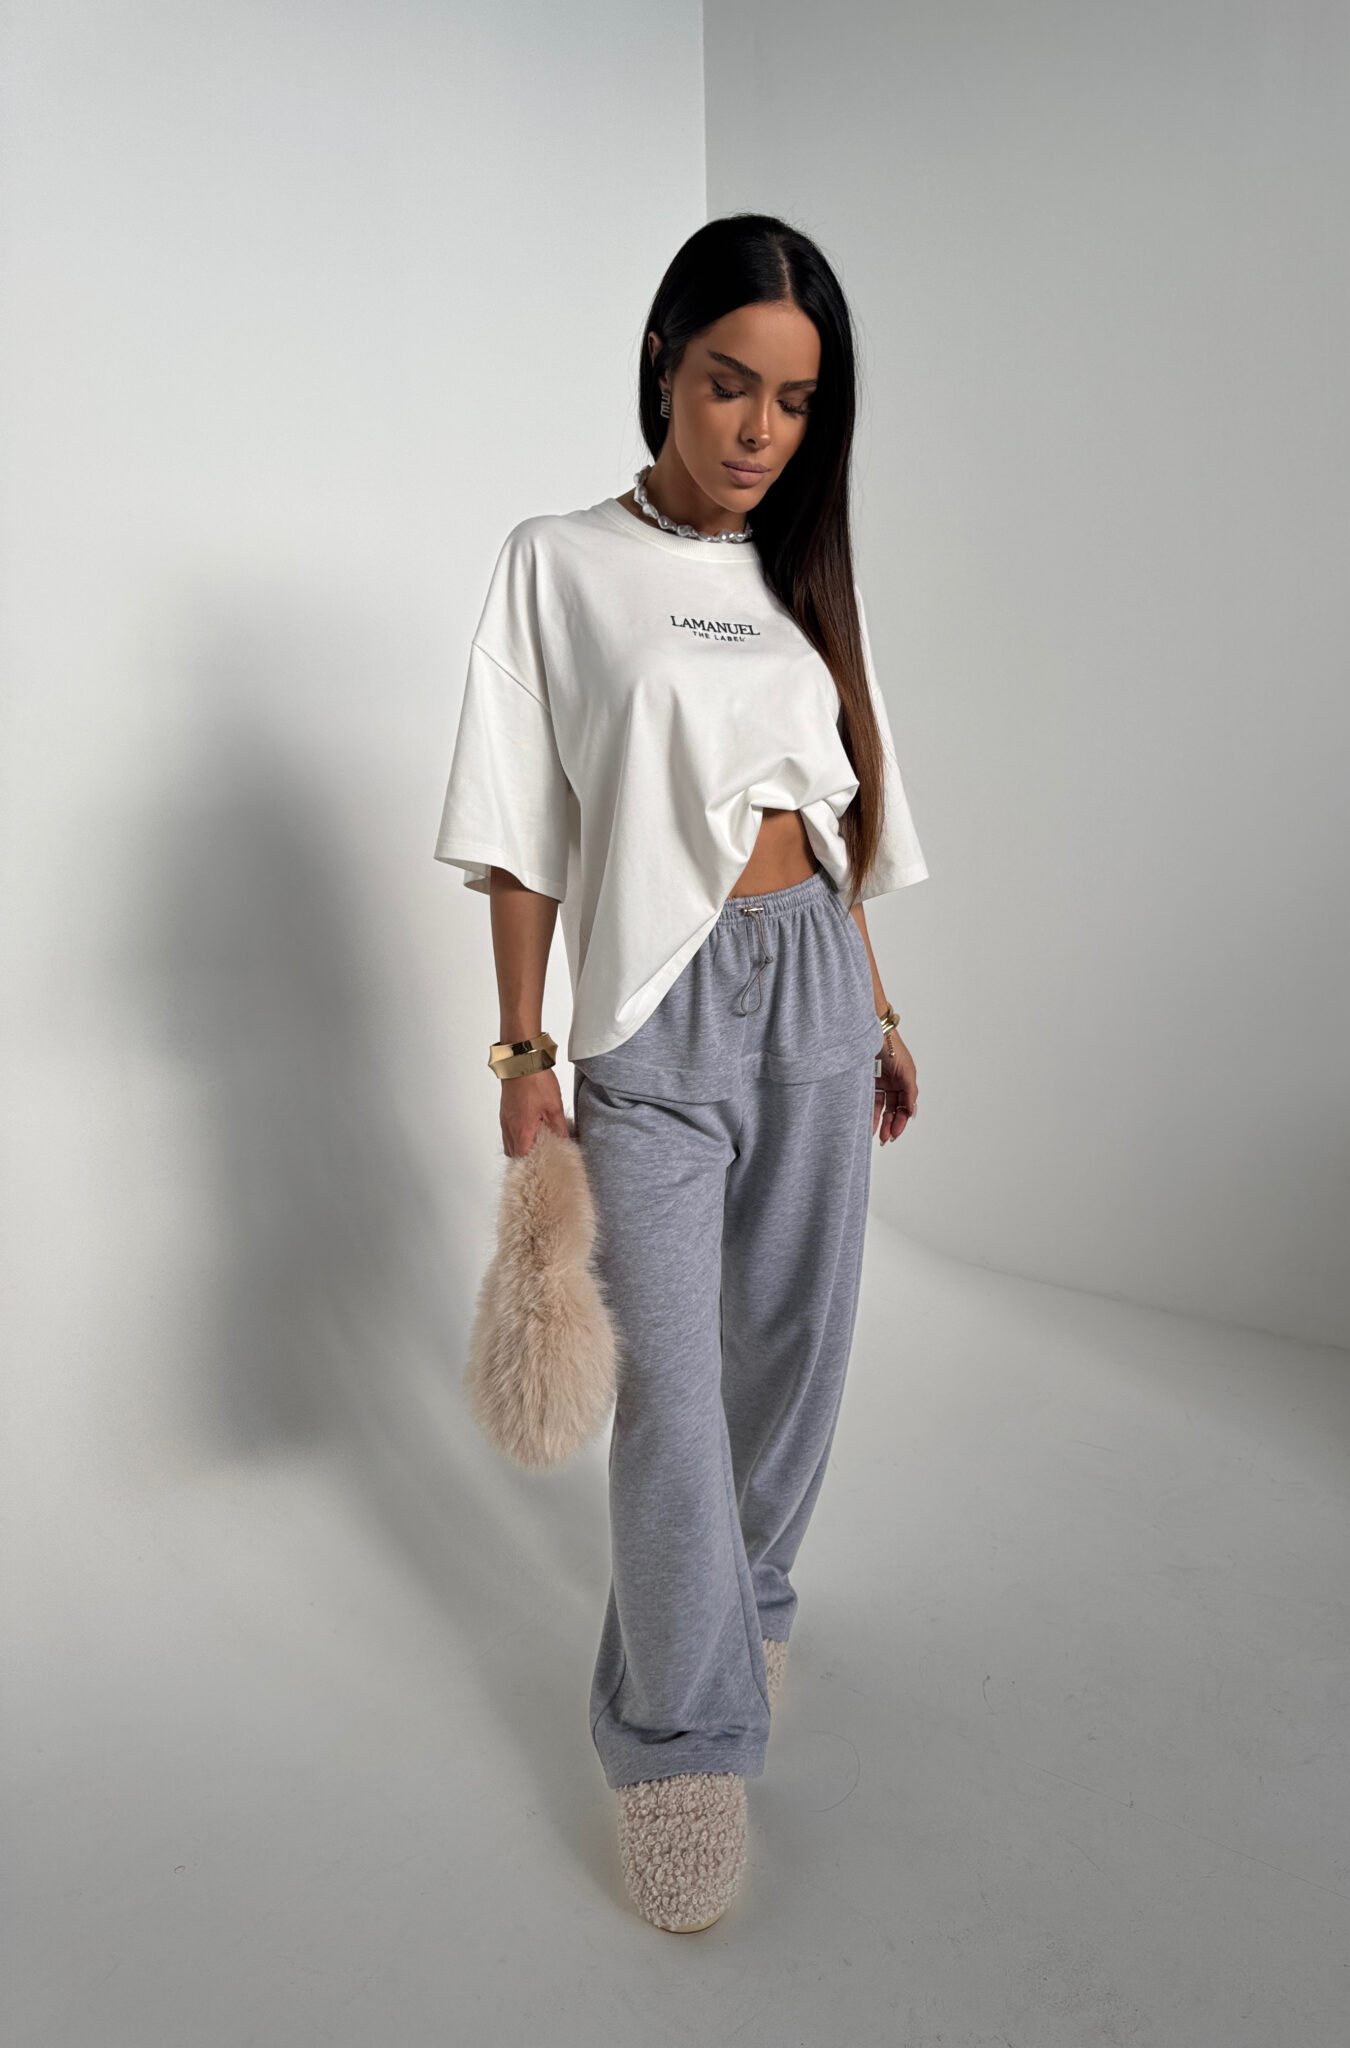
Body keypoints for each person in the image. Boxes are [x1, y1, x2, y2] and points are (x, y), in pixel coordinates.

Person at [433, 213, 930, 1933]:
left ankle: (751, 1603)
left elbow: (834, 816)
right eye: (730, 385)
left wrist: (878, 1004)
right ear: (663, 360)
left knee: (794, 1355)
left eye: (795, 402)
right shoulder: (559, 562)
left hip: (814, 992)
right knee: (671, 1392)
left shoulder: (802, 578)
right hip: (653, 1011)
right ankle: (677, 1740)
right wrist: (522, 1051)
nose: (758, 431)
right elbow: (519, 830)